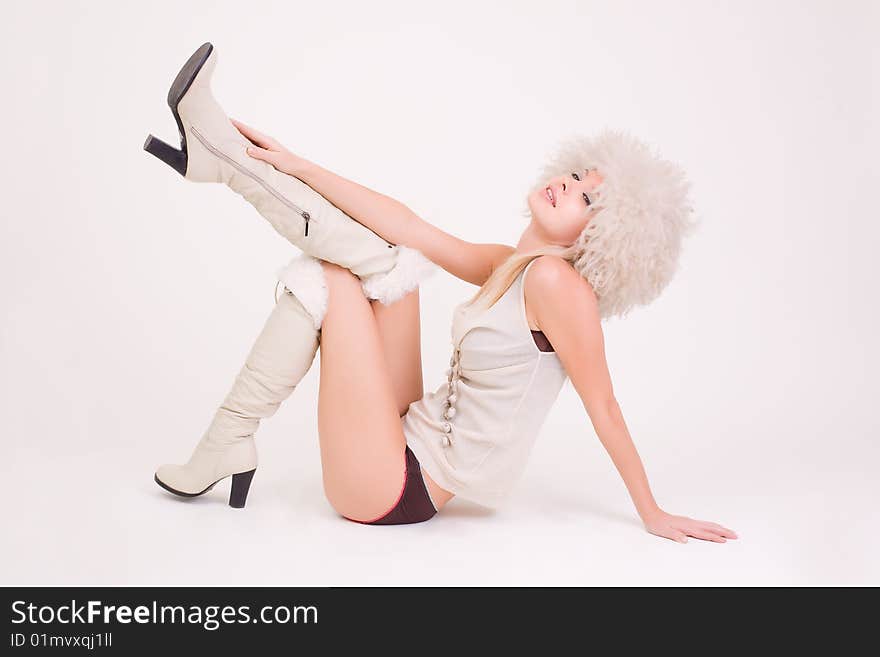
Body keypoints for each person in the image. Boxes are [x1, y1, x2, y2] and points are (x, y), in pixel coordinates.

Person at [146, 42, 737, 544]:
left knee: (334, 278)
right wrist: (301, 166)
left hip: (393, 487)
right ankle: (222, 159)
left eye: (587, 199)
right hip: (402, 432)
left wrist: (652, 512)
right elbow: (412, 227)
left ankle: (218, 163)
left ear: (604, 237)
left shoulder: (560, 286)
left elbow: (603, 406)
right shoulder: (515, 266)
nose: (568, 185)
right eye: (578, 175)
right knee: (396, 258)